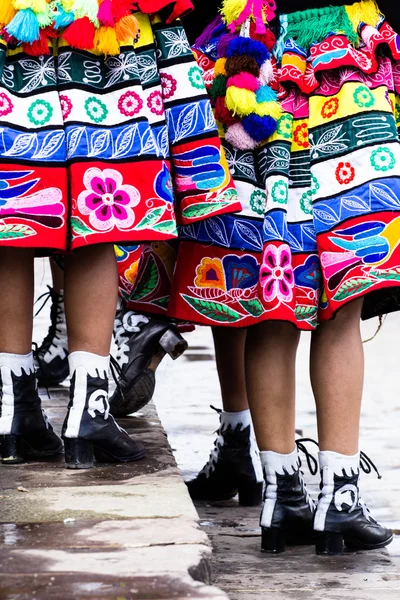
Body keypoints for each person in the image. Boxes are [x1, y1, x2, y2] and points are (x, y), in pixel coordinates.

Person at [168, 0, 400, 554]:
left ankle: (283, 496)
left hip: (250, 65)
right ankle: (339, 499)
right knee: (341, 298)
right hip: (339, 71)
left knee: (273, 299)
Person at [0, 0, 238, 469]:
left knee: (12, 204)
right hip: (100, 26)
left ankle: (11, 408)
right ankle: (88, 413)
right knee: (100, 204)